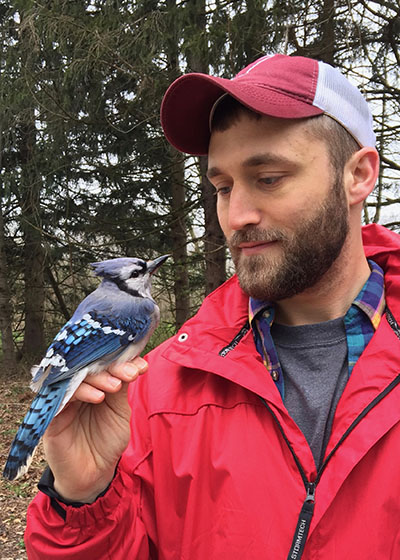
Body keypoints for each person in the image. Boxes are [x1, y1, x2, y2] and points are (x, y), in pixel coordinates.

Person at [25, 54, 400, 559]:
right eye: (222, 187)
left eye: (268, 177)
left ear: (358, 176)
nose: (236, 216)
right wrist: (82, 498)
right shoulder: (146, 390)